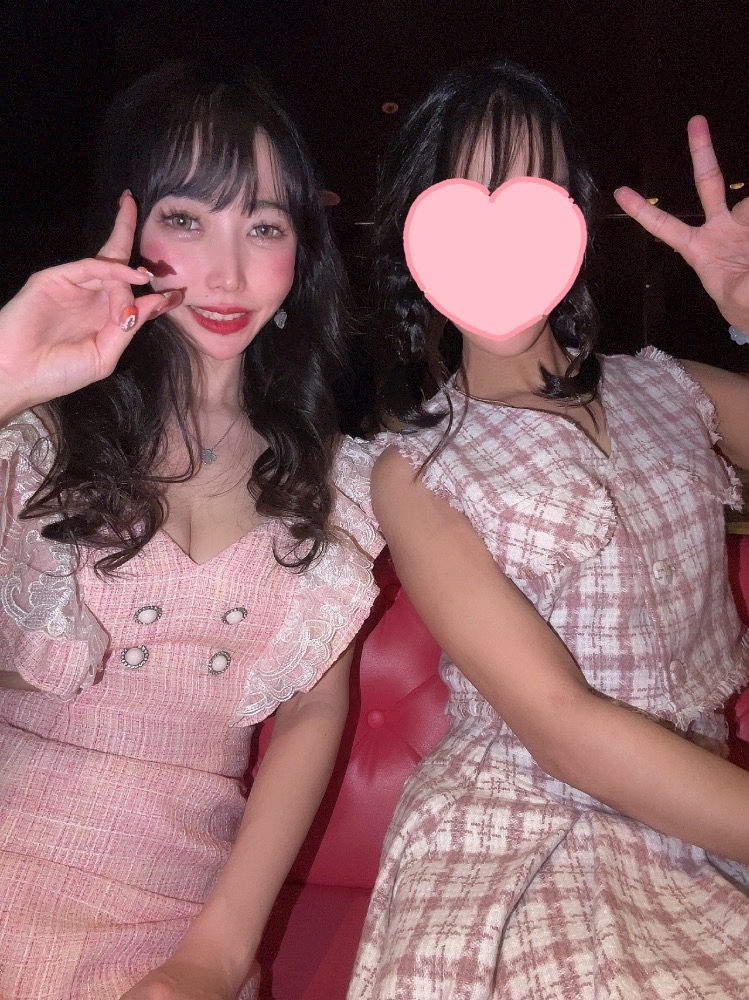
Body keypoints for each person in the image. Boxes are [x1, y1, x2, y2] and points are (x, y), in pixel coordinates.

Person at [348, 60, 749, 999]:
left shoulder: (674, 387)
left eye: (529, 192)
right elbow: (565, 729)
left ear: (574, 220)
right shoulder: (417, 469)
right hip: (519, 836)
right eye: (459, 198)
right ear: (410, 235)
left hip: (707, 826)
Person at [0, 63, 382, 1000]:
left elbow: (312, 711)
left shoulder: (335, 479)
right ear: (128, 229)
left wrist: (216, 955)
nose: (227, 272)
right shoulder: (37, 432)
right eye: (186, 219)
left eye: (263, 226)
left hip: (192, 912)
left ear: (301, 251)